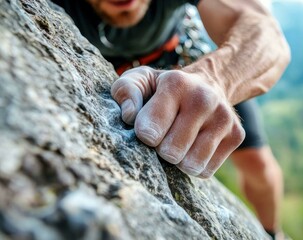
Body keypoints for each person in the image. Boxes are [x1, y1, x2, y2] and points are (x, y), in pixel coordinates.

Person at [53, 0, 290, 238]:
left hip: (184, 62)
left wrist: (213, 78)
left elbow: (266, 36)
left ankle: (272, 232)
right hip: (106, 64)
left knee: (256, 163)